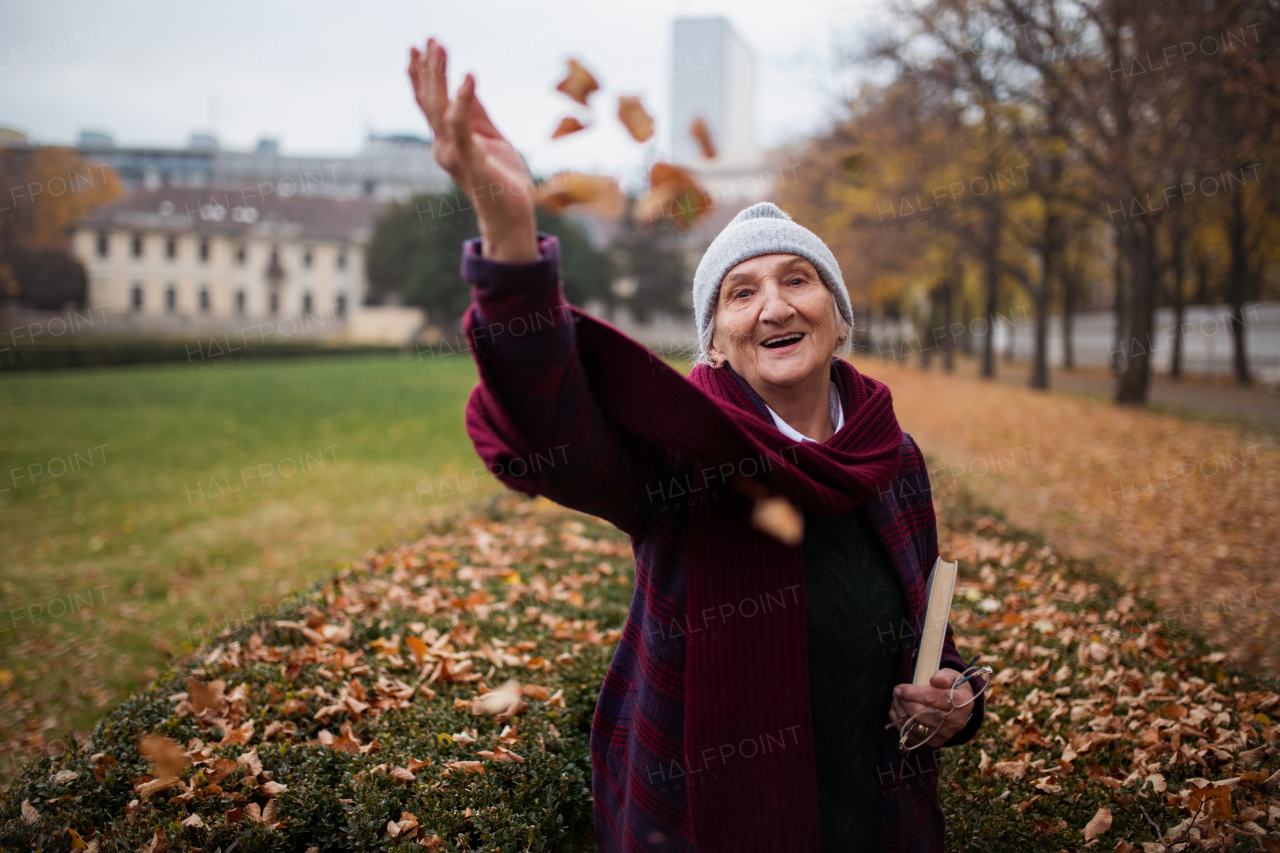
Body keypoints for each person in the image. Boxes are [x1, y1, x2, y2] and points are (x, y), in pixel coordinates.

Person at [407, 37, 986, 853]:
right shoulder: (684, 456)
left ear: (837, 314)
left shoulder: (894, 458)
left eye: (797, 279)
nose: (774, 307)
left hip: (882, 823)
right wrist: (508, 233)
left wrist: (958, 699)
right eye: (741, 293)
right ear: (713, 344)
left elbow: (934, 643)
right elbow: (555, 434)